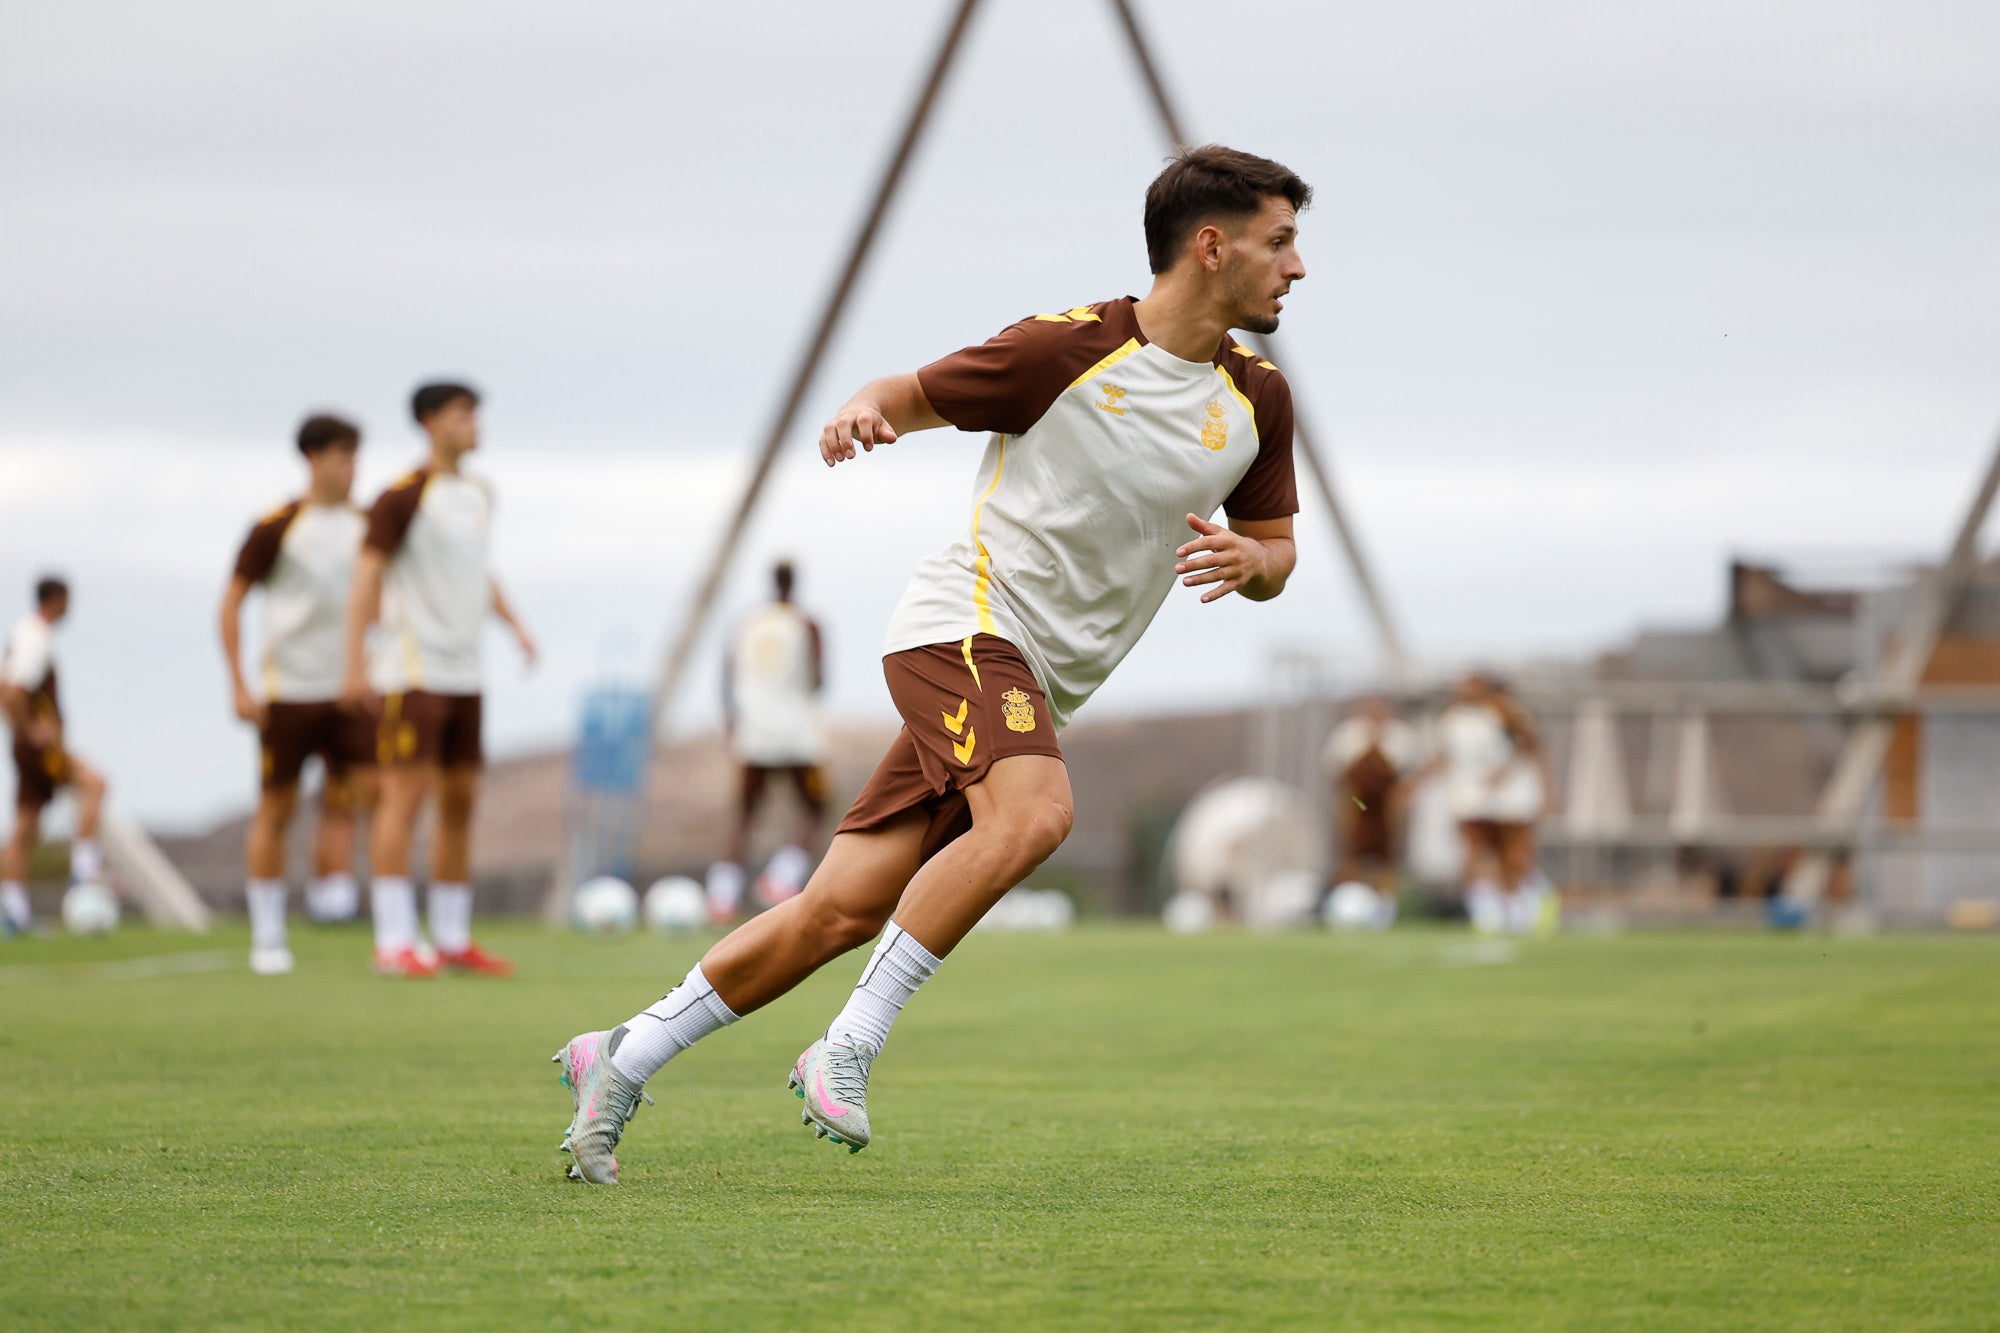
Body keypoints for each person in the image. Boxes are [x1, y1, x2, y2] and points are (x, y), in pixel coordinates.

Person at [554, 144, 1308, 1183]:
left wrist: (1250, 559)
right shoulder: (1067, 349)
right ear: (1211, 247)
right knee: (1036, 815)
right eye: (1279, 242)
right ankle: (849, 1044)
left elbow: (1277, 553)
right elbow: (901, 392)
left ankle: (620, 1057)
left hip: (1031, 685)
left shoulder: (1258, 400)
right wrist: (867, 412)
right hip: (962, 626)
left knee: (840, 907)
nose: (1296, 267)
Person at [340, 382, 537, 978]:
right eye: (462, 415)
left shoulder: (479, 492)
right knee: (404, 798)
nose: (474, 425)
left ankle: (451, 939)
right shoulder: (400, 497)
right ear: (430, 422)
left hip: (465, 672)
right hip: (413, 671)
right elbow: (366, 576)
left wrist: (515, 626)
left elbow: (479, 572)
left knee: (460, 801)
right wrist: (355, 661)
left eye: (476, 414)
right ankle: (394, 939)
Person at [219, 413, 375, 975]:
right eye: (341, 456)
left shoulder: (368, 525)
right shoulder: (277, 526)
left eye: (356, 456)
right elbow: (231, 601)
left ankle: (391, 929)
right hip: (289, 692)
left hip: (355, 692)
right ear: (312, 458)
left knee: (378, 800)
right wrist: (239, 682)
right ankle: (267, 935)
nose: (351, 468)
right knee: (277, 807)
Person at [707, 560, 828, 923]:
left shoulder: (746, 623)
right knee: (815, 809)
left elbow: (727, 678)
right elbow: (819, 679)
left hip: (752, 731)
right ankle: (779, 879)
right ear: (795, 584)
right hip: (794, 732)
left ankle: (721, 898)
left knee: (745, 815)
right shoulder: (806, 623)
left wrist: (733, 726)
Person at [1, 577, 108, 935]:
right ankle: (83, 873)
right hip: (40, 749)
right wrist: (30, 729)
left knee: (25, 826)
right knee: (95, 783)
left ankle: (13, 911)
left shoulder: (24, 634)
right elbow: (13, 690)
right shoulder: (35, 637)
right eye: (67, 600)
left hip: (25, 746)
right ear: (56, 599)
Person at [1431, 672, 1555, 934]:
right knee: (1476, 857)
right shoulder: (1453, 720)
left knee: (1514, 858)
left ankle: (1523, 909)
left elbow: (1531, 747)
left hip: (1512, 800)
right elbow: (1442, 756)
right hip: (1471, 799)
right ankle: (1487, 913)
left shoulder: (1508, 712)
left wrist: (1517, 777)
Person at [1321, 694, 1421, 921]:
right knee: (1351, 854)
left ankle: (1383, 910)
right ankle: (1346, 906)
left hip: (1387, 804)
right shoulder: (1348, 734)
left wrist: (1402, 795)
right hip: (1358, 802)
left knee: (1387, 857)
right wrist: (1354, 802)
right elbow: (1334, 770)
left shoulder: (1400, 736)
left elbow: (1410, 772)